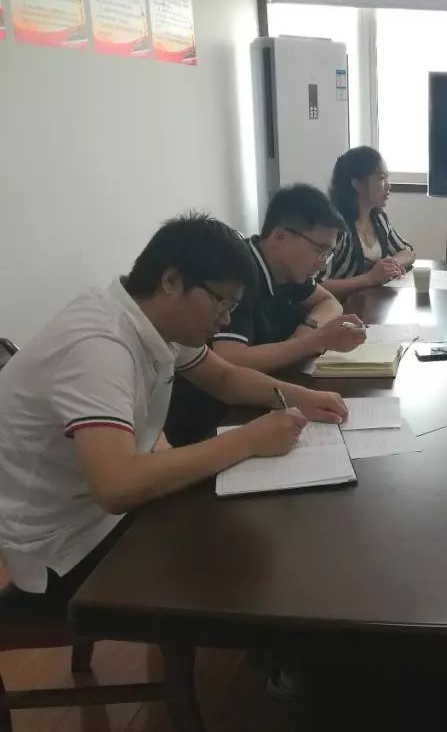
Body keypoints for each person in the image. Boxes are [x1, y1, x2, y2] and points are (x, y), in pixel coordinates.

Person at [0, 213, 349, 606]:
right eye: (221, 302)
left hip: (101, 515)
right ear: (171, 281)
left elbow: (224, 378)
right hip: (64, 548)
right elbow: (118, 486)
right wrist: (249, 439)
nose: (226, 319)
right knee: (244, 562)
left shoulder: (152, 320)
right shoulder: (99, 346)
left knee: (255, 533)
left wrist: (301, 397)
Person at [164, 185, 366, 445]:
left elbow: (329, 303)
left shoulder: (290, 271)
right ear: (280, 237)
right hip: (210, 421)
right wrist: (310, 343)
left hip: (249, 402)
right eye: (319, 250)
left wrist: (306, 332)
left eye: (328, 254)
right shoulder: (238, 274)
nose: (322, 263)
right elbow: (230, 360)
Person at [322, 147, 416, 298]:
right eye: (381, 178)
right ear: (357, 184)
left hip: (374, 303)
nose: (388, 186)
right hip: (342, 307)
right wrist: (369, 279)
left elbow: (408, 252)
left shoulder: (379, 218)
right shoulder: (334, 226)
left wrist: (391, 264)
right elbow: (317, 284)